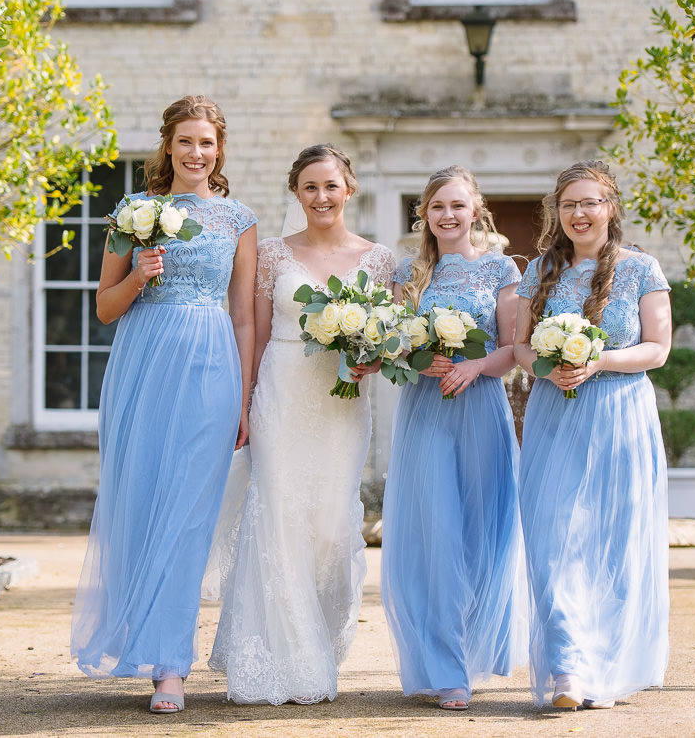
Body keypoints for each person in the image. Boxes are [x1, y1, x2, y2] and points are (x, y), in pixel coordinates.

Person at [70, 95, 257, 714]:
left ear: (218, 149)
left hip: (211, 366)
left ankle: (173, 666)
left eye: (207, 143)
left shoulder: (239, 220)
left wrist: (245, 401)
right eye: (185, 142)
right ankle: (151, 652)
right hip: (144, 363)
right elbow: (103, 307)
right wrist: (139, 275)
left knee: (190, 514)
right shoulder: (135, 211)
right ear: (168, 147)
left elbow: (243, 318)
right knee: (144, 500)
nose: (196, 154)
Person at [207, 144, 394, 704]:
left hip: (341, 405)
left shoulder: (380, 259)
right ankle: (283, 663)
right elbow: (255, 335)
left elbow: (388, 340)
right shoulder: (270, 255)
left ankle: (318, 638)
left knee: (331, 525)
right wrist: (242, 404)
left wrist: (374, 357)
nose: (321, 197)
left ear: (350, 188)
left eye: (331, 186)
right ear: (296, 192)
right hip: (282, 394)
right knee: (278, 518)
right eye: (310, 187)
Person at [513, 159, 672, 710]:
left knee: (613, 541)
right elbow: (523, 349)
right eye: (569, 204)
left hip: (620, 417)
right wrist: (548, 366)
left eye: (590, 202)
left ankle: (605, 667)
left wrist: (599, 359)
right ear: (557, 213)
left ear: (611, 208)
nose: (579, 213)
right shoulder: (538, 272)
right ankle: (568, 671)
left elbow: (657, 348)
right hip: (555, 417)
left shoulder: (641, 269)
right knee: (552, 539)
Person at [381, 165, 523, 711]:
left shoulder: (501, 269)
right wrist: (414, 356)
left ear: (475, 208)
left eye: (458, 205)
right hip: (425, 411)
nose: (448, 215)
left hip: (481, 407)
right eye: (437, 206)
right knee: (433, 535)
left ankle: (477, 646)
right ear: (425, 214)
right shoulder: (409, 271)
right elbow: (392, 344)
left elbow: (515, 346)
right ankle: (445, 668)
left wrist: (476, 367)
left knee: (480, 532)